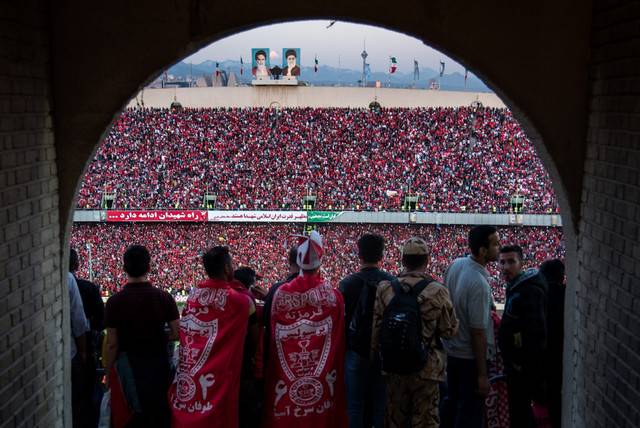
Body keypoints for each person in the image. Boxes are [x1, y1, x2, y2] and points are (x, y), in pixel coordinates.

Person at [371, 237, 458, 428]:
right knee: (426, 422)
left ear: (403, 260)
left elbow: (376, 331)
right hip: (427, 368)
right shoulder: (437, 290)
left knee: (394, 421)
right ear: (427, 261)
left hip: (394, 366)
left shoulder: (385, 288)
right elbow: (449, 331)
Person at [263, 231, 347, 427]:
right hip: (323, 383)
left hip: (285, 382)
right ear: (321, 260)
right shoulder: (334, 296)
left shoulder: (279, 293)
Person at [169, 247, 255, 428]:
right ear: (226, 269)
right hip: (218, 381)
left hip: (192, 376)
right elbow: (252, 308)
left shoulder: (193, 296)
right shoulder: (237, 300)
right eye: (231, 264)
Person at [103, 245, 180, 428]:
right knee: (158, 412)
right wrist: (157, 337)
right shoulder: (164, 297)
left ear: (124, 268)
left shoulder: (114, 302)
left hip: (128, 366)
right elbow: (177, 333)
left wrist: (107, 372)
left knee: (134, 415)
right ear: (149, 267)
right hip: (158, 364)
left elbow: (112, 344)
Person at [441, 225, 500, 428]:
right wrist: (482, 375)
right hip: (469, 359)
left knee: (451, 406)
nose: (498, 248)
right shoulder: (479, 284)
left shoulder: (455, 265)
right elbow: (478, 332)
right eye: (495, 244)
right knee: (470, 414)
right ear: (483, 250)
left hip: (451, 352)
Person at [339, 233, 394, 428]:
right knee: (380, 406)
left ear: (359, 255)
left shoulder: (347, 284)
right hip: (383, 352)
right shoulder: (391, 283)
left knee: (354, 405)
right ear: (381, 256)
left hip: (355, 351)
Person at [497, 245, 548, 428]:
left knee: (521, 415)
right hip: (518, 367)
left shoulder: (529, 291)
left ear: (522, 263)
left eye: (511, 262)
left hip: (524, 370)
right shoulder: (517, 287)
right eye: (502, 262)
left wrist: (520, 363)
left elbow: (537, 333)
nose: (505, 267)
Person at [70, 248, 104, 427]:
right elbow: (99, 320)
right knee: (88, 393)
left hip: (63, 350)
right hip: (85, 349)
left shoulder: (50, 283)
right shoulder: (88, 288)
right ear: (77, 264)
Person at [539, 259, 565, 428]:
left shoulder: (535, 294)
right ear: (562, 278)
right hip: (561, 357)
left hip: (538, 357)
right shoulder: (568, 295)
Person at [262, 245, 299, 366]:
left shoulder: (276, 290)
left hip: (281, 357)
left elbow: (267, 323)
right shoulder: (324, 293)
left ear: (289, 262)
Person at [68, 271, 90, 428]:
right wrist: (83, 351)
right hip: (71, 352)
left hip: (64, 350)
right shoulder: (69, 280)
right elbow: (79, 320)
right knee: (78, 400)